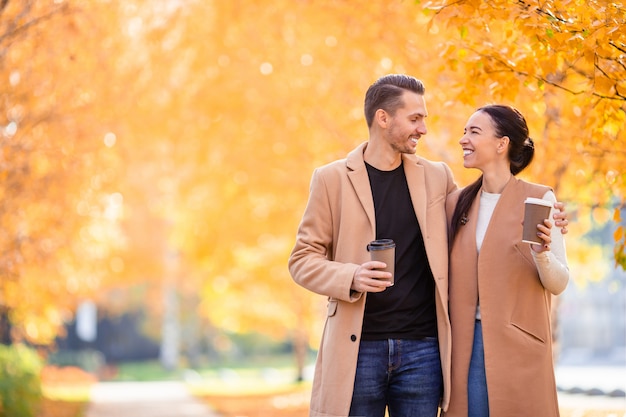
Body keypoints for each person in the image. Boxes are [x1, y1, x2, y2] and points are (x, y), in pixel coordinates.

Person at [288, 75, 568, 417]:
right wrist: (351, 277)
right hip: (359, 346)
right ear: (383, 118)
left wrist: (551, 223)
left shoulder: (436, 177)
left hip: (423, 350)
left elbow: (488, 218)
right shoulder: (331, 179)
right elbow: (302, 260)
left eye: (425, 119)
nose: (423, 129)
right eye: (415, 119)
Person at [444, 104, 570, 417]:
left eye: (474, 132)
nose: (463, 139)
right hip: (466, 346)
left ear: (502, 144)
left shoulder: (540, 199)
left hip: (520, 349)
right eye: (464, 131)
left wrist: (541, 254)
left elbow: (559, 282)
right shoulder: (455, 204)